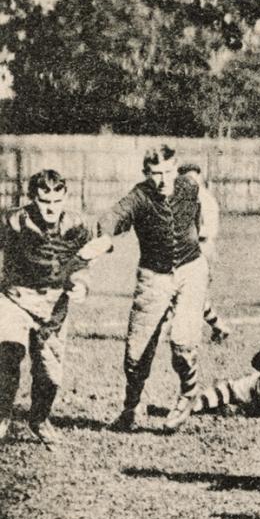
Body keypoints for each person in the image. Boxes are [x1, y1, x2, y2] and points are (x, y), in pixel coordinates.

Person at [81, 144, 210, 432]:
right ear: (145, 173)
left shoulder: (189, 186)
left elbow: (198, 198)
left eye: (167, 172)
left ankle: (188, 394)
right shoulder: (140, 196)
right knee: (136, 353)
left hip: (191, 270)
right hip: (153, 276)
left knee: (183, 342)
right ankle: (131, 408)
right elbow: (114, 215)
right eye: (155, 174)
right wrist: (103, 238)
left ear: (176, 169)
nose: (162, 180)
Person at [0, 170, 94, 445]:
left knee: (49, 374)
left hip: (53, 305)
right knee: (8, 352)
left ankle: (39, 418)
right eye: (44, 201)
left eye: (56, 200)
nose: (51, 208)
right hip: (15, 297)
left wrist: (81, 283)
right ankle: (2, 416)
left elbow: (83, 262)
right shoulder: (12, 221)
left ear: (65, 197)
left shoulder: (77, 225)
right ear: (32, 199)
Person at [178, 163, 231, 344]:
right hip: (187, 249)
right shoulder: (183, 198)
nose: (191, 182)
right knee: (187, 293)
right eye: (186, 179)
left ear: (200, 178)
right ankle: (219, 327)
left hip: (202, 249)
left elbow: (209, 231)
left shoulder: (205, 200)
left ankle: (214, 328)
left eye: (193, 178)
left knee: (189, 294)